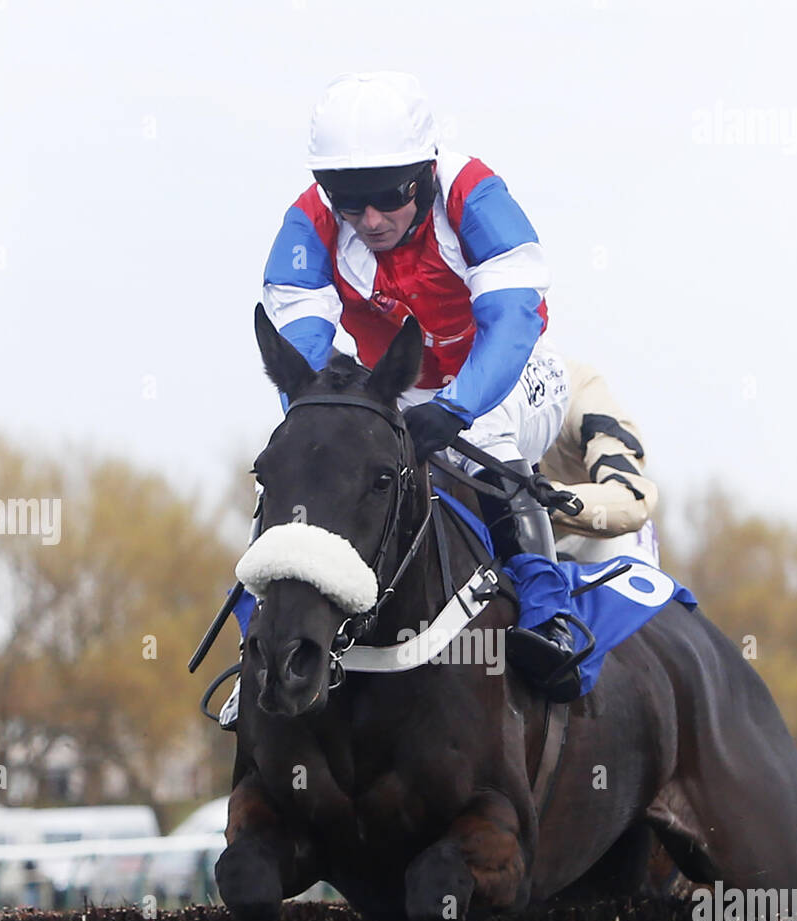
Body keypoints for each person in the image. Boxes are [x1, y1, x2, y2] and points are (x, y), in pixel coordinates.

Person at [221, 71, 588, 727]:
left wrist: (453, 410)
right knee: (304, 461)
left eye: (388, 198)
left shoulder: (473, 196)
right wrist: (334, 428)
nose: (369, 219)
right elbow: (304, 354)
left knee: (490, 434)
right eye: (348, 201)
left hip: (506, 375)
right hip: (390, 389)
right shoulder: (308, 223)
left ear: (422, 173)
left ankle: (548, 611)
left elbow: (512, 322)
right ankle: (255, 641)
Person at [538, 357, 660, 565]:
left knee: (626, 549)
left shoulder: (575, 387)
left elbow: (633, 499)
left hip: (590, 540)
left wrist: (545, 500)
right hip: (495, 544)